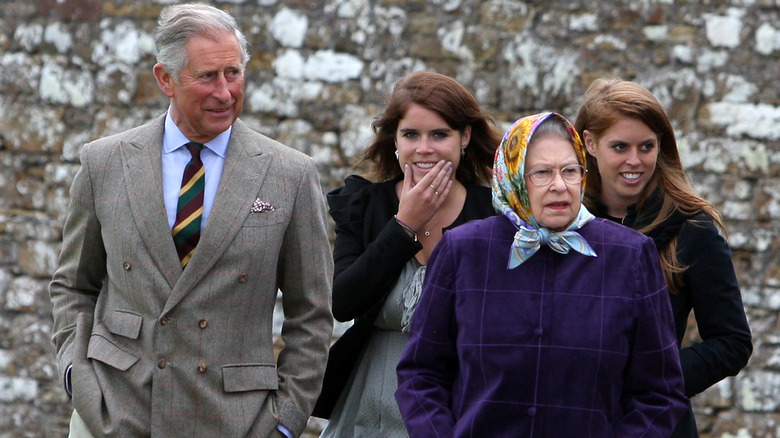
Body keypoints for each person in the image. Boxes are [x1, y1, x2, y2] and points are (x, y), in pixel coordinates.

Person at [48, 4, 333, 437]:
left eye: (234, 73)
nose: (225, 92)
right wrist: (77, 375)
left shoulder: (289, 174)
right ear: (166, 79)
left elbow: (311, 314)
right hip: (113, 412)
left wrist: (286, 422)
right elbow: (74, 285)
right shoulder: (104, 163)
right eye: (207, 77)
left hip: (236, 422)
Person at [395, 112, 688, 437]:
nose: (559, 185)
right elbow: (421, 375)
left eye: (570, 171)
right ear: (514, 177)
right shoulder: (464, 250)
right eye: (542, 173)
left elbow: (660, 393)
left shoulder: (630, 255)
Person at [312, 71, 501, 437]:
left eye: (439, 134)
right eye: (411, 134)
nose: (424, 148)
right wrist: (403, 225)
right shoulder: (364, 203)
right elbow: (342, 302)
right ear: (395, 140)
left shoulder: (493, 213)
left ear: (464, 137)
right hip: (371, 399)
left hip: (460, 399)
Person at [574, 78, 752, 437]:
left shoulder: (692, 228)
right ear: (589, 143)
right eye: (620, 146)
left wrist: (653, 380)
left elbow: (732, 342)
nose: (635, 161)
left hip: (656, 425)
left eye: (647, 146)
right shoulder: (558, 223)